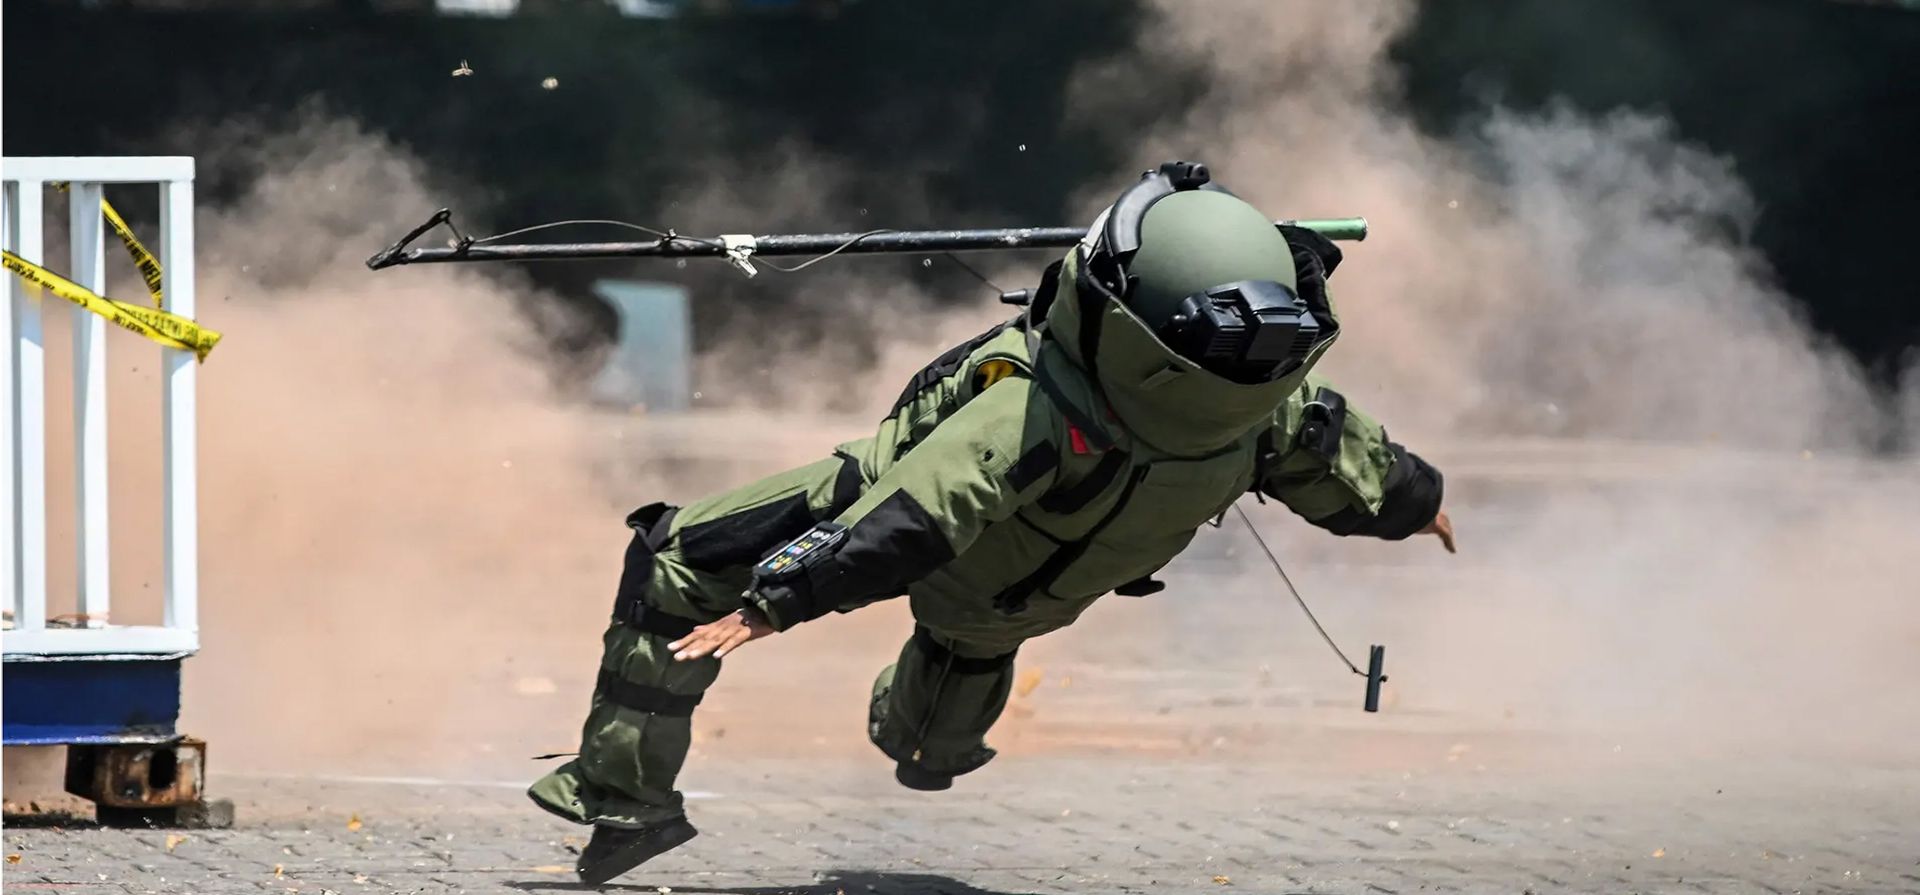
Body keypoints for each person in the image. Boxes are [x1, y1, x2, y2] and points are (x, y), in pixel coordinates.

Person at [529, 161, 1456, 885]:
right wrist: (1424, 507)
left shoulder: (1033, 414)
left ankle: (623, 798)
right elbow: (1363, 473)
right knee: (937, 717)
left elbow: (914, 511)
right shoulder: (1271, 407)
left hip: (933, 541)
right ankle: (933, 748)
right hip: (1020, 606)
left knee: (676, 556)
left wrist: (778, 598)